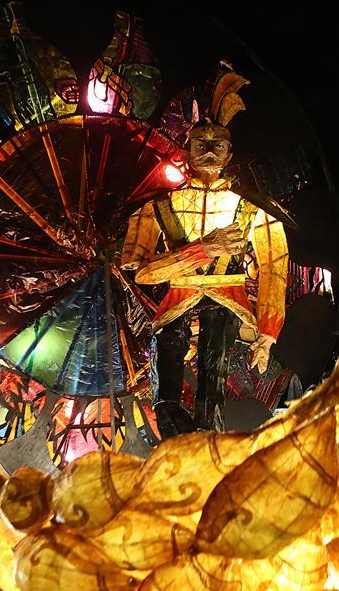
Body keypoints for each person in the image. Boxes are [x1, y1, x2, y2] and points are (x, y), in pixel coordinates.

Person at [120, 73, 289, 437]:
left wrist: (268, 332)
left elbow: (275, 267)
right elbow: (141, 272)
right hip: (177, 300)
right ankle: (177, 431)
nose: (210, 150)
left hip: (228, 301)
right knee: (166, 389)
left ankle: (207, 437)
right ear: (186, 151)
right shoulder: (158, 206)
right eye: (201, 143)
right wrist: (202, 250)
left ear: (230, 153)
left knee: (214, 372)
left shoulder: (253, 208)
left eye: (219, 144)